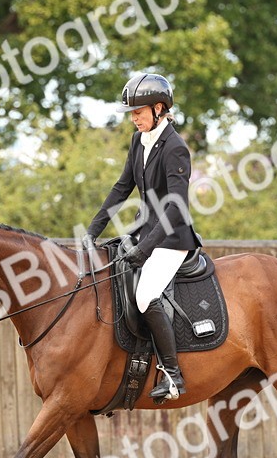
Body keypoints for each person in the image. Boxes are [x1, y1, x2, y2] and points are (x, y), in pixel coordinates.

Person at [82, 73, 204, 402]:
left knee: (145, 294)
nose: (133, 118)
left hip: (172, 239)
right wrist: (94, 229)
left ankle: (173, 375)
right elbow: (123, 187)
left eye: (138, 112)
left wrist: (145, 250)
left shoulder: (176, 149)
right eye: (131, 113)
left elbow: (176, 209)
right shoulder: (139, 141)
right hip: (144, 232)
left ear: (159, 109)